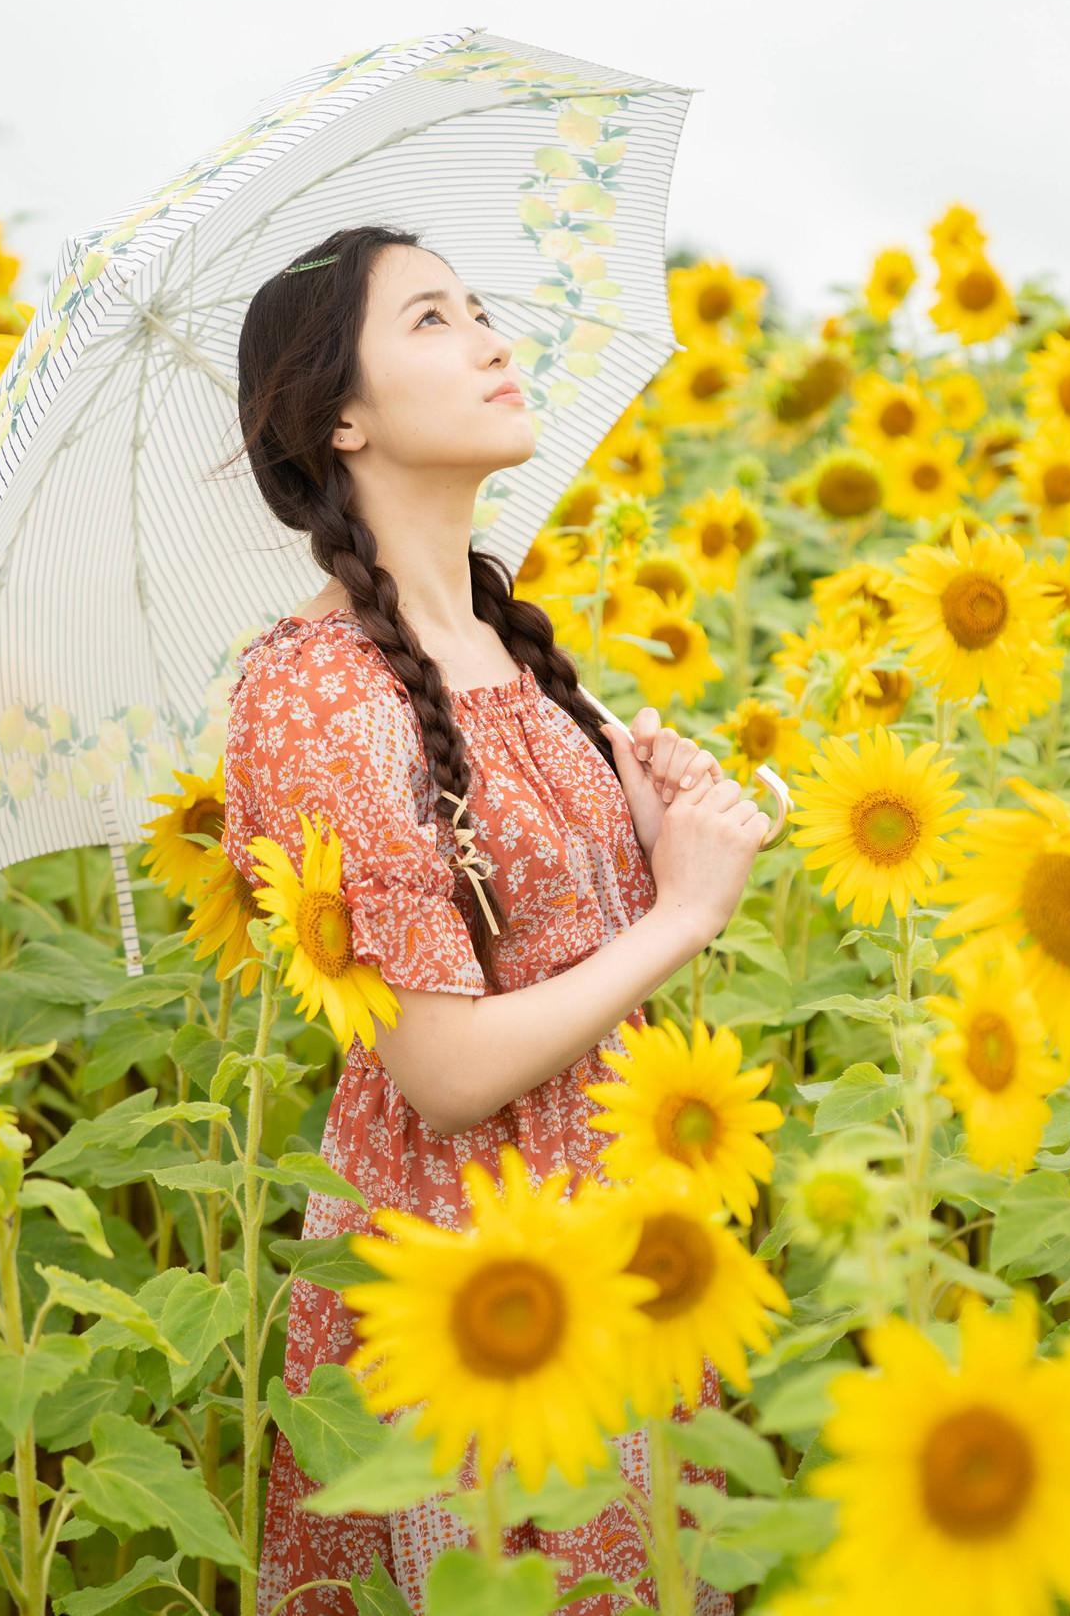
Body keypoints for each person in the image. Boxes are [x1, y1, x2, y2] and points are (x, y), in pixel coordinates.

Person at [219, 224, 772, 1616]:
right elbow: (447, 1071)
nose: (490, 341)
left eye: (480, 308)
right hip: (475, 1283)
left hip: (615, 1228)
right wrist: (685, 919)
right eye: (430, 320)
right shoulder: (315, 692)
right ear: (339, 415)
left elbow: (562, 939)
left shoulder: (499, 640)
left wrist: (653, 835)